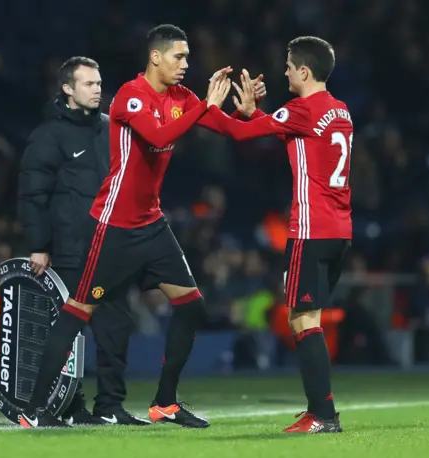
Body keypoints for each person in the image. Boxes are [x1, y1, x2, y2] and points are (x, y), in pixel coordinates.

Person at [18, 24, 264, 429]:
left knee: (191, 306)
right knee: (79, 311)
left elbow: (229, 129)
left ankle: (165, 402)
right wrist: (205, 105)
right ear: (155, 57)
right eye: (178, 57)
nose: (186, 64)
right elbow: (158, 134)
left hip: (151, 224)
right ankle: (33, 408)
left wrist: (249, 112)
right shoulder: (131, 97)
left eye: (186, 57)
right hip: (113, 224)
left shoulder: (182, 98)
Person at [204, 36, 352, 433]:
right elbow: (288, 133)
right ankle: (318, 410)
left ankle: (323, 416)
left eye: (288, 66)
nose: (284, 72)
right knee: (309, 318)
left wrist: (208, 109)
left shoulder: (302, 109)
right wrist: (256, 113)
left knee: (303, 321)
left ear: (304, 71)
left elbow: (238, 134)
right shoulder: (340, 111)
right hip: (339, 230)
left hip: (310, 229)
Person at [18, 56, 149, 426]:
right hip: (73, 250)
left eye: (98, 83)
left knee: (116, 330)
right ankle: (56, 407)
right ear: (68, 89)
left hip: (113, 249)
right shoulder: (48, 135)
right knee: (68, 333)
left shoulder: (112, 129)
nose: (97, 90)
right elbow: (32, 194)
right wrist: (39, 245)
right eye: (89, 84)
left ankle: (110, 406)